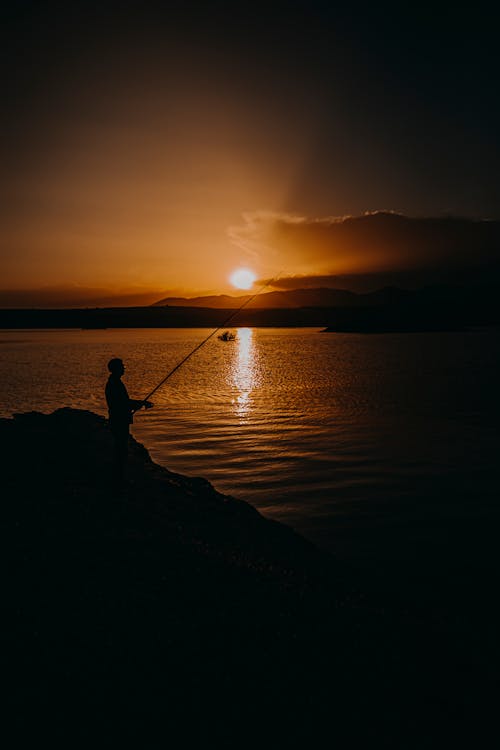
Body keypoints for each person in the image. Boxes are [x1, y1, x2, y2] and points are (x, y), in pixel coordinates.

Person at [105, 358, 153, 484]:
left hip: (118, 419)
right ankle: (119, 479)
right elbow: (123, 403)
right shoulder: (115, 384)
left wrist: (139, 404)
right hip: (119, 420)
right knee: (121, 450)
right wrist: (142, 403)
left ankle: (118, 477)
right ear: (116, 369)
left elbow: (124, 403)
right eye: (121, 366)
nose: (124, 368)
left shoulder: (114, 382)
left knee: (120, 449)